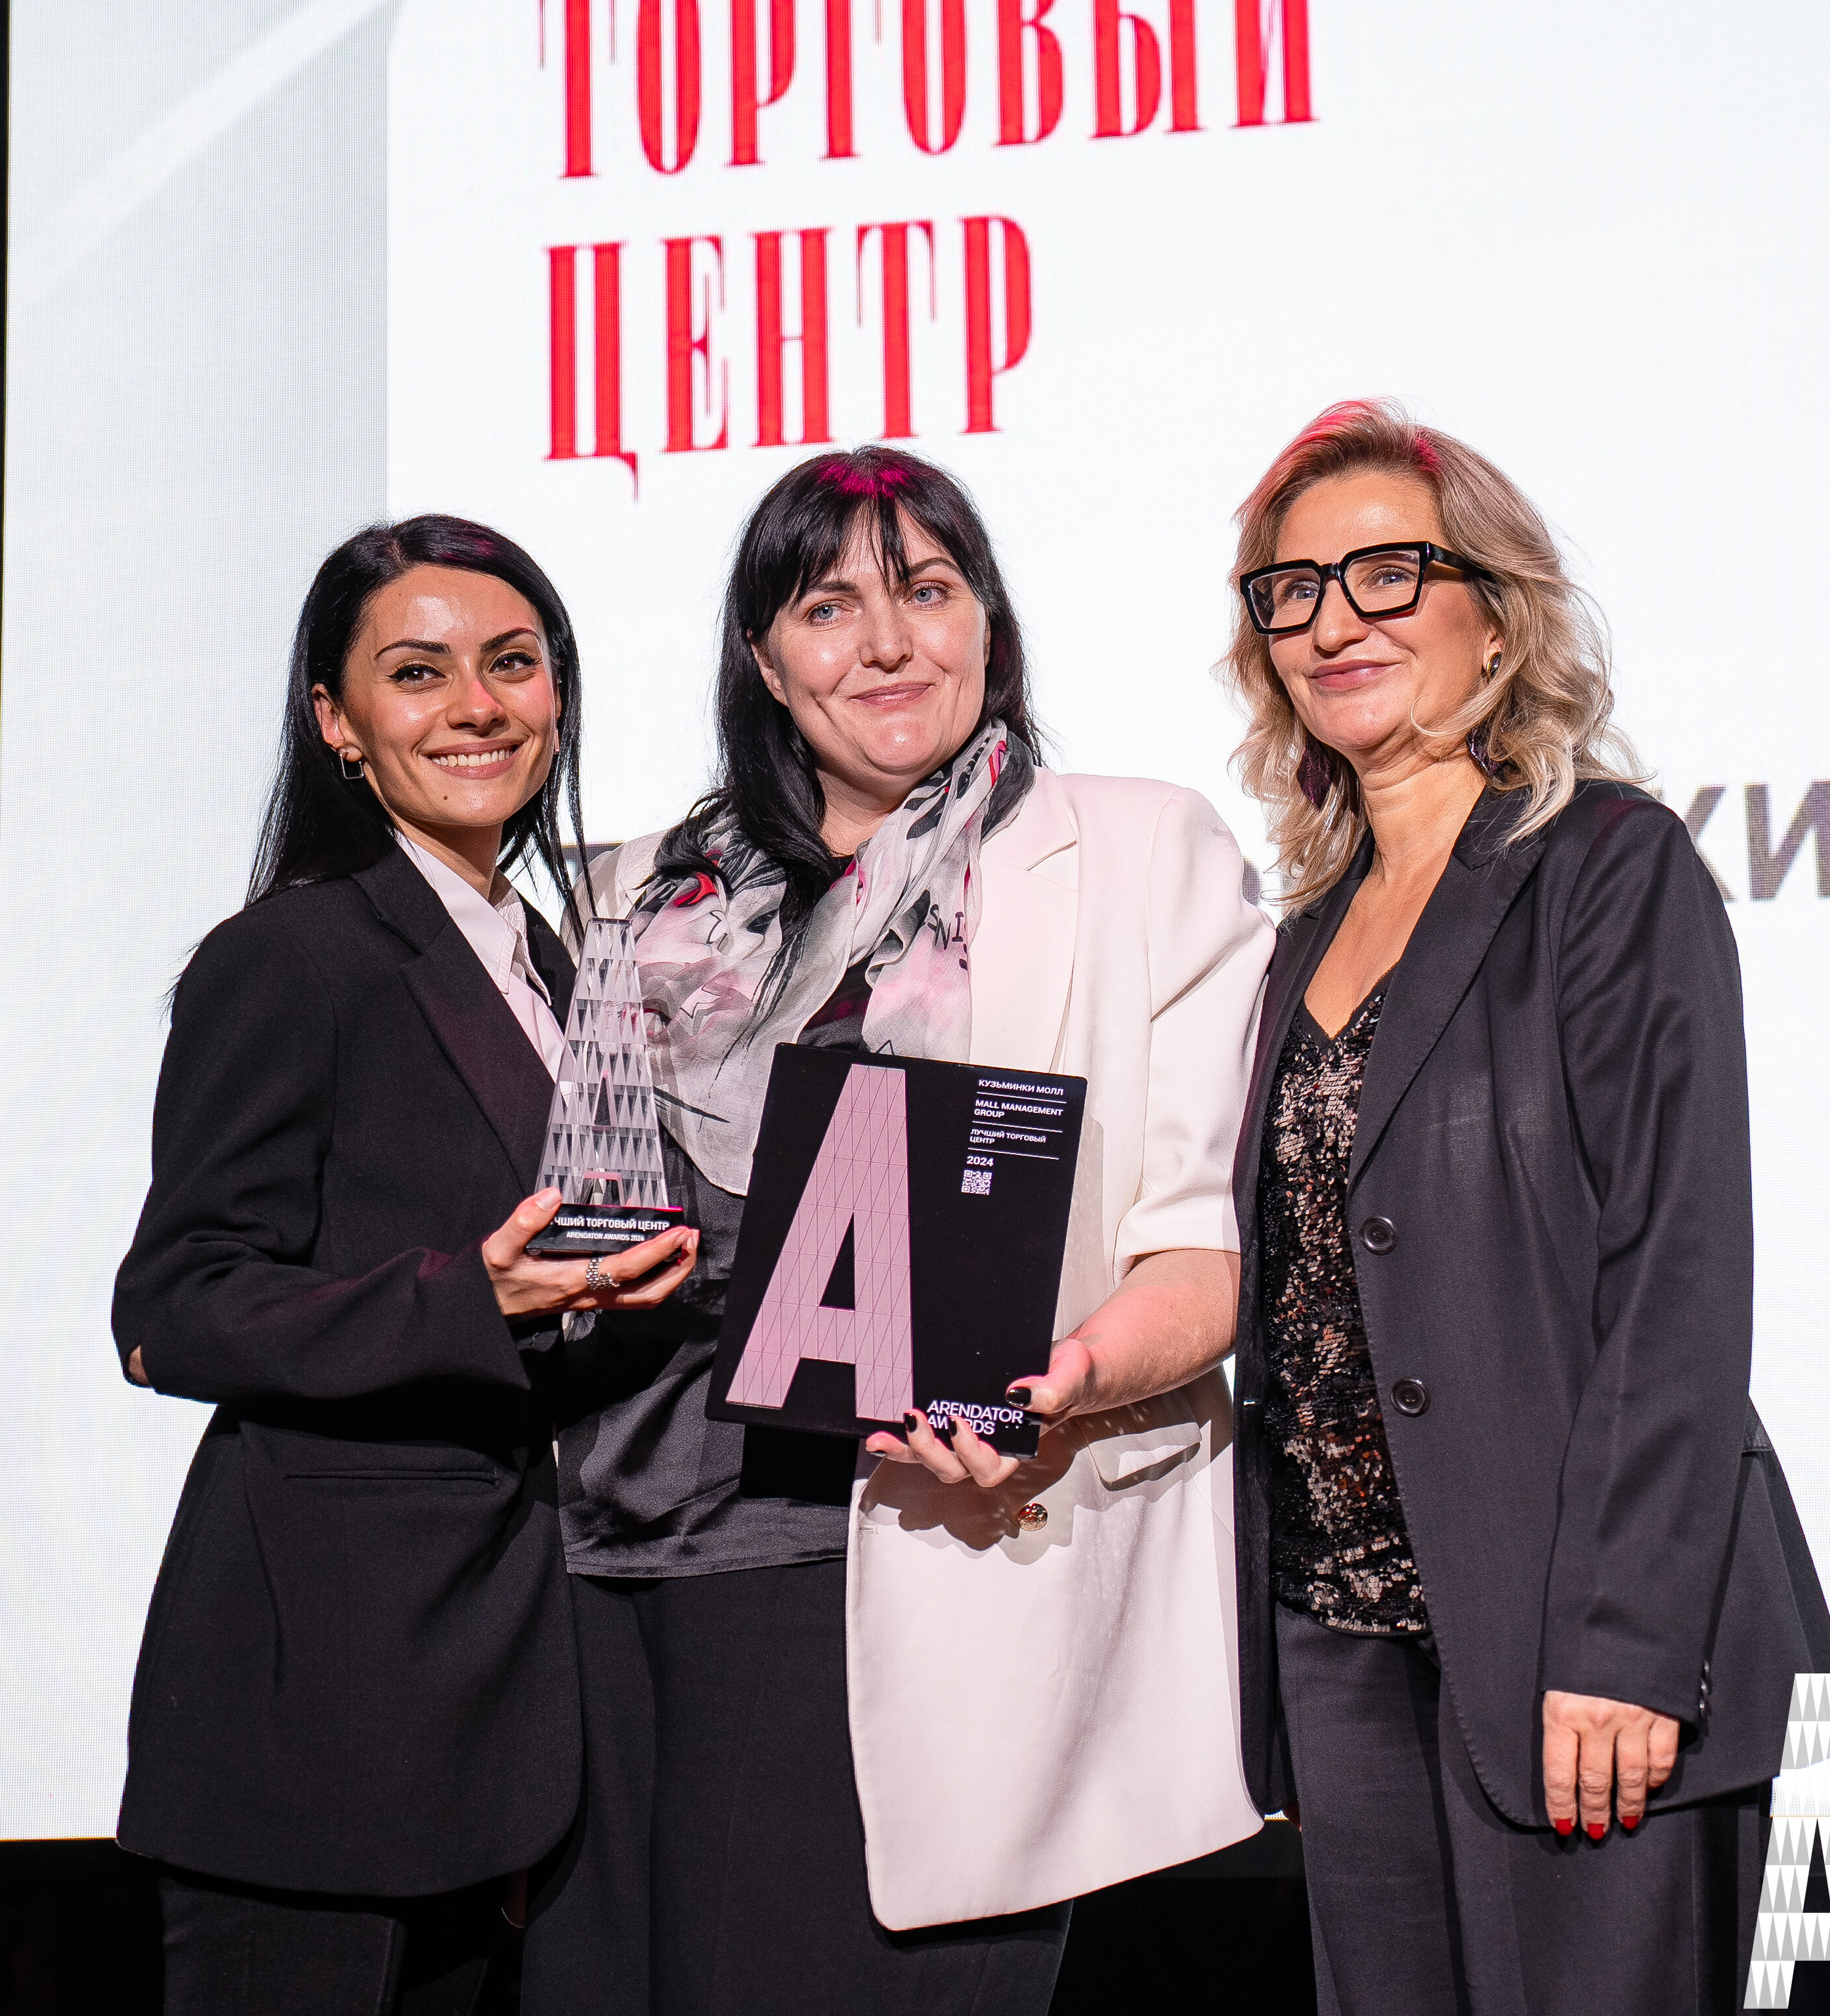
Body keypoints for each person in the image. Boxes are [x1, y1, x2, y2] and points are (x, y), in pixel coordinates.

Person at [522, 448, 1273, 2016]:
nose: (885, 644)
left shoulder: (1135, 856)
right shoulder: (636, 898)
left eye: (926, 592)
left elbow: (1202, 1254)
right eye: (826, 607)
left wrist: (1054, 1393)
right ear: (763, 656)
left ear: (988, 622)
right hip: (606, 1572)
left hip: (898, 1555)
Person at [1220, 400, 1830, 2016]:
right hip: (1343, 1643)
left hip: (1572, 1649)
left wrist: (1624, 1645)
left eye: (1387, 574)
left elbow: (1678, 1277)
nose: (1333, 622)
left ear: (1497, 619)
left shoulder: (1609, 869)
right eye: (1291, 592)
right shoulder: (1299, 935)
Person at [111, 516, 699, 2016]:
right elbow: (172, 1306)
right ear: (339, 722)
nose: (477, 707)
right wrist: (463, 1300)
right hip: (321, 1709)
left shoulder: (560, 962)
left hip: (501, 1704)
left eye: (513, 664)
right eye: (420, 673)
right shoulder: (294, 955)